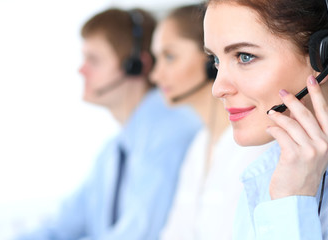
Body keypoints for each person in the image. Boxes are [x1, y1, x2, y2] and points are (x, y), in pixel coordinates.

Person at [203, 0, 328, 239]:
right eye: (215, 60)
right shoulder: (265, 173)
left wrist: (292, 201)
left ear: (327, 57)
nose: (218, 88)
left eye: (245, 57)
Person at [16, 8, 201, 240]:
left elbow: (138, 234)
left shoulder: (171, 134)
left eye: (93, 60)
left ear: (135, 66)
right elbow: (60, 227)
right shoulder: (113, 152)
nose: (81, 70)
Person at [150, 5, 273, 240]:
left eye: (170, 57)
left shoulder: (258, 144)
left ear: (208, 64)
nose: (156, 75)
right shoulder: (199, 145)